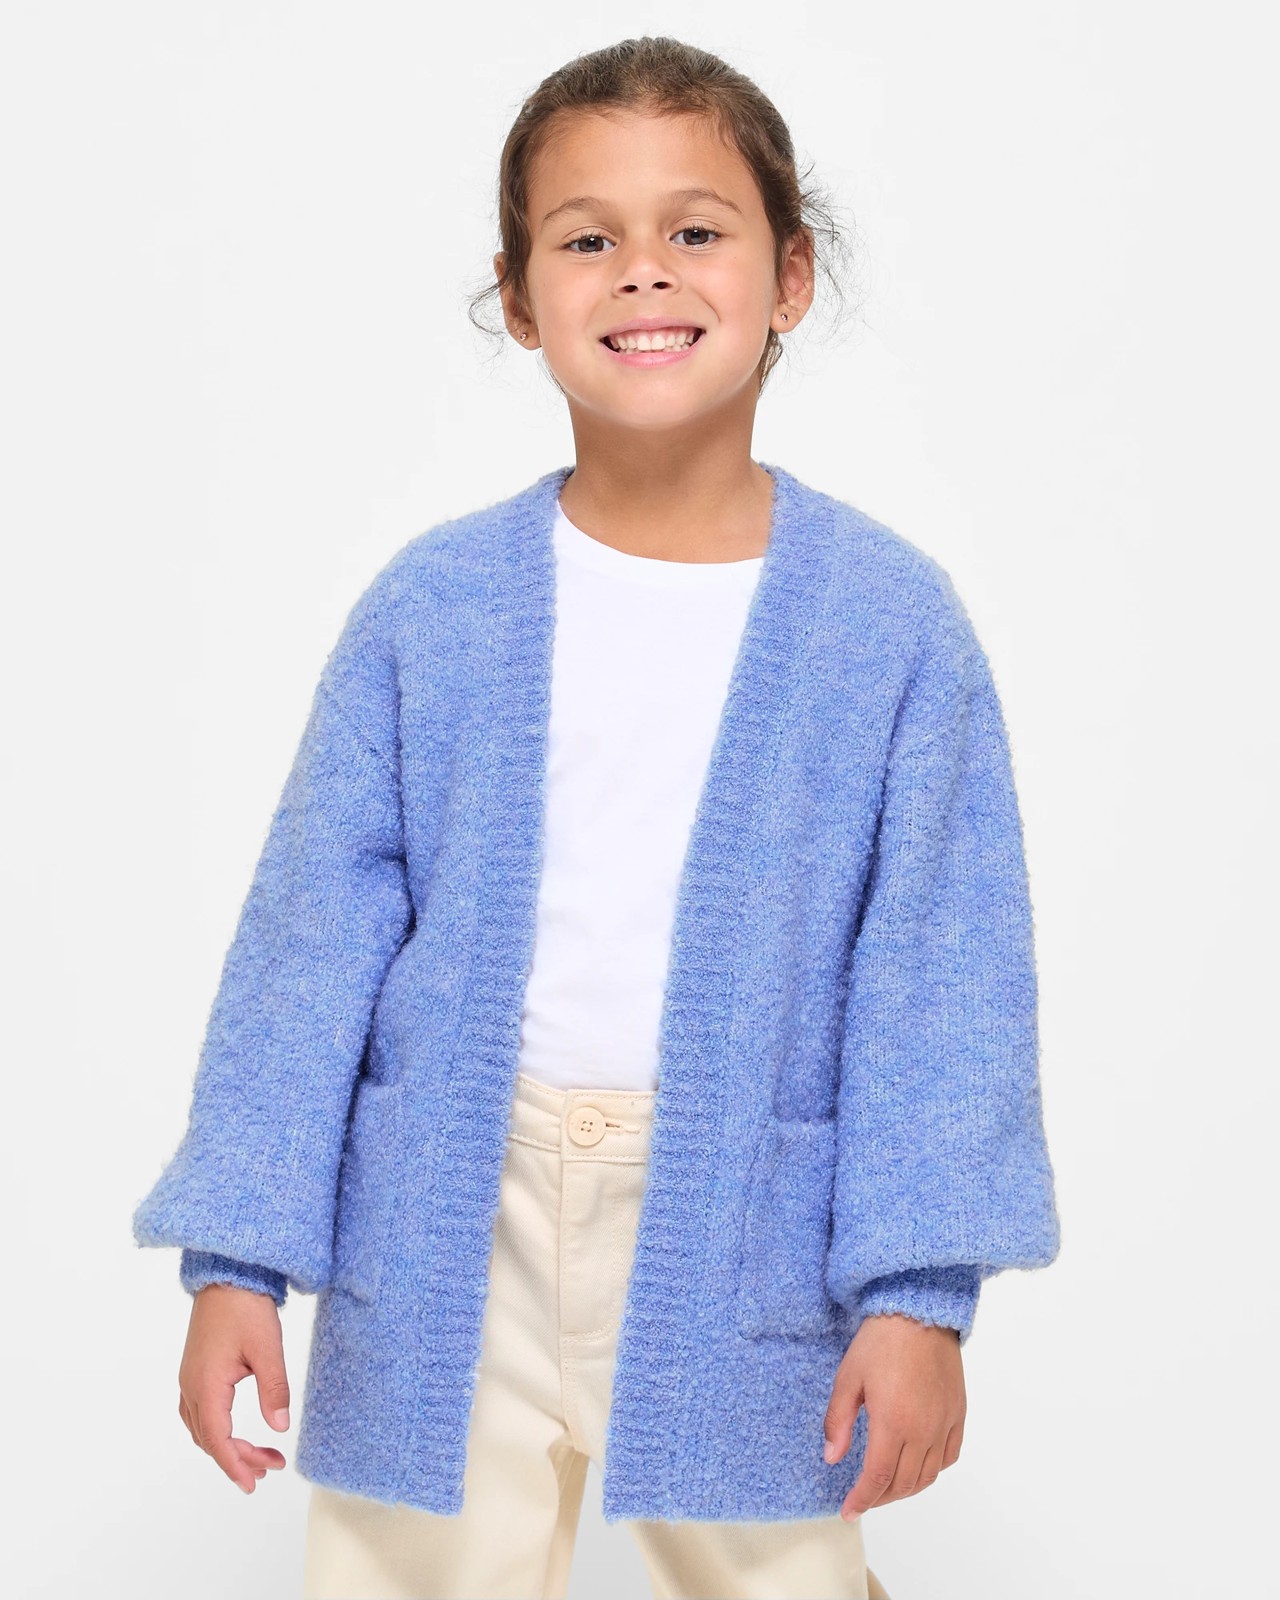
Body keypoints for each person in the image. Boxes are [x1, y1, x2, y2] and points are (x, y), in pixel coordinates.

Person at [132, 34, 1060, 1600]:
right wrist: (239, 1259)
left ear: (789, 277)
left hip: (741, 1218)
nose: (644, 271)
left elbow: (942, 982)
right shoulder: (433, 610)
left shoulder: (889, 627)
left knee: (784, 1578)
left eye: (696, 230)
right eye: (585, 241)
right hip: (449, 1213)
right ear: (518, 296)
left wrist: (920, 1296)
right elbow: (309, 944)